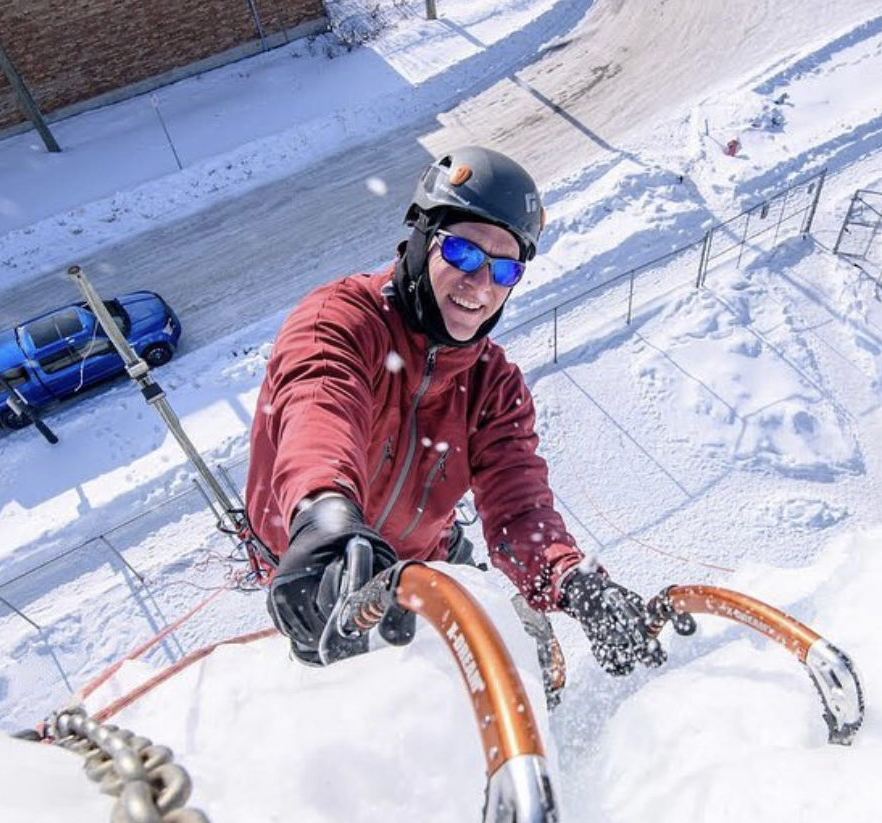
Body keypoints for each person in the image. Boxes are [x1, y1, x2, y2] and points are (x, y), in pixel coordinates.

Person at [245, 145, 668, 677]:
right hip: (327, 554)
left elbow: (519, 510)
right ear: (421, 241)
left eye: (505, 269)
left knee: (511, 656)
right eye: (464, 253)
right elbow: (318, 414)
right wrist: (324, 518)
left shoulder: (492, 384)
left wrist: (573, 581)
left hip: (422, 559)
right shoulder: (342, 321)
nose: (480, 284)